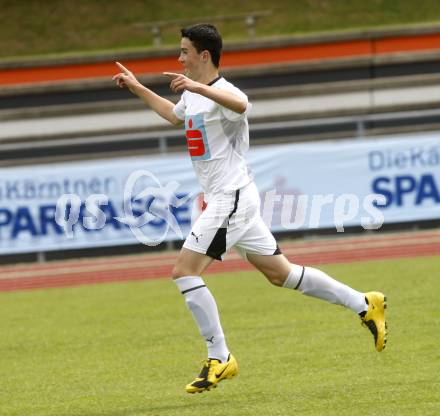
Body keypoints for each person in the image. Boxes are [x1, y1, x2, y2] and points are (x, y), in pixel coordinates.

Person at [112, 23, 387, 394]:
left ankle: (220, 357)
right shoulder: (193, 95)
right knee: (281, 274)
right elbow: (175, 116)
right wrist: (137, 87)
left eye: (184, 51)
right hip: (230, 199)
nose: (179, 58)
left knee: (184, 271)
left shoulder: (222, 91)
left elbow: (242, 105)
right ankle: (364, 303)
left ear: (203, 55)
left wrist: (198, 87)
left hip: (232, 197)